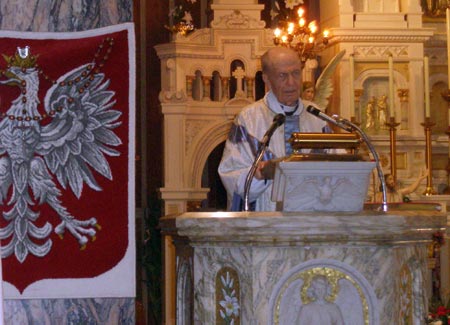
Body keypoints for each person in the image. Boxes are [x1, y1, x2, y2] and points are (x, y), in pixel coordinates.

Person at [218, 47, 333, 211]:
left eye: (295, 73)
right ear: (267, 79)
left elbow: (337, 167)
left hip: (311, 219)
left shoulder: (316, 117)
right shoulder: (249, 119)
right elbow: (231, 177)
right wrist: (260, 175)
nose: (291, 82)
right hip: (266, 223)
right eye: (282, 76)